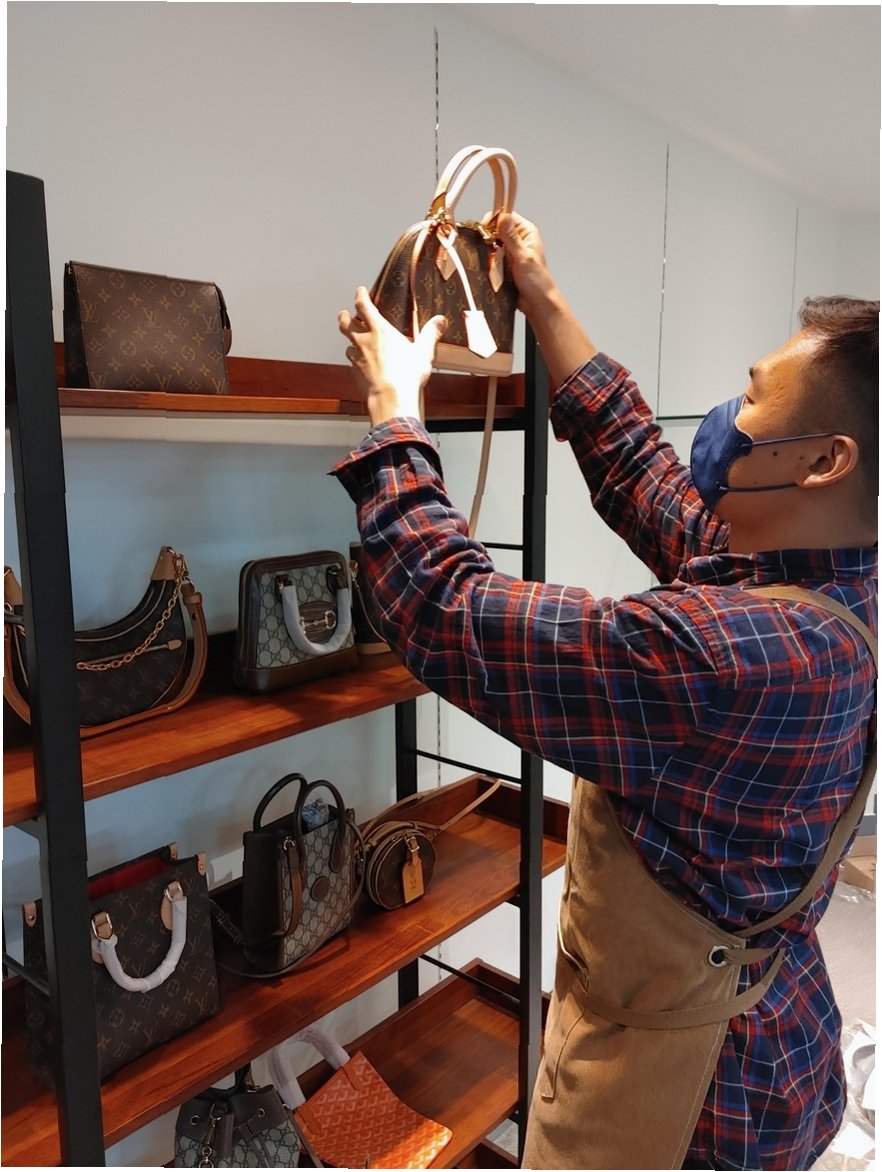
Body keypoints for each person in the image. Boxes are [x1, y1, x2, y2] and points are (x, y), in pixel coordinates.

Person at [333, 212, 878, 1171]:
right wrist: (540, 293)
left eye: (754, 397)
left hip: (693, 1095)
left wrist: (392, 414)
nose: (729, 415)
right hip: (777, 1035)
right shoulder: (828, 583)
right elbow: (645, 476)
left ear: (824, 460)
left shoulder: (737, 656)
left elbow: (447, 609)